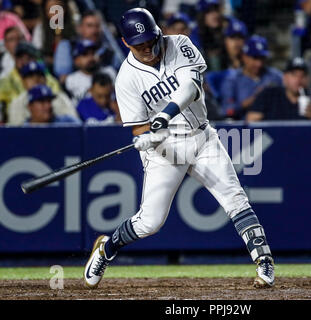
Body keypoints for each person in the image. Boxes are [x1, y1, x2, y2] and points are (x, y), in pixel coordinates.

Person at [84, 8, 275, 290]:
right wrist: (148, 138)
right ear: (125, 43)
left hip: (202, 138)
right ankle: (106, 248)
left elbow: (191, 86)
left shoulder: (180, 44)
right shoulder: (126, 77)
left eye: (151, 40)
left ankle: (264, 261)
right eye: (140, 45)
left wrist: (165, 115)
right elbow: (138, 129)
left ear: (158, 33)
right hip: (164, 150)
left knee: (235, 198)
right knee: (150, 222)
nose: (148, 48)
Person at [220, 35, 283, 120]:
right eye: (255, 58)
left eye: (262, 58)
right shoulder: (232, 79)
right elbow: (226, 110)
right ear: (244, 56)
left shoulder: (275, 76)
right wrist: (256, 98)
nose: (259, 64)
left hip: (272, 126)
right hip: (242, 129)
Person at [247, 57, 311, 122]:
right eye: (294, 75)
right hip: (272, 138)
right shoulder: (269, 96)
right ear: (285, 78)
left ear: (308, 79)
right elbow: (251, 122)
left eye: (303, 75)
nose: (298, 79)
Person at [53, 10, 118, 84]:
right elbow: (63, 78)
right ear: (79, 28)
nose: (94, 31)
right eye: (89, 26)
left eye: (97, 26)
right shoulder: (67, 46)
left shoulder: (109, 50)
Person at [8, 61, 77, 125]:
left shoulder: (60, 97)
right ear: (23, 82)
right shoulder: (16, 102)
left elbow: (74, 126)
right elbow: (15, 130)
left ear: (46, 79)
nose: (36, 79)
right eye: (30, 76)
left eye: (39, 75)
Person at [65, 39, 117, 105]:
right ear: (76, 60)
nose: (90, 58)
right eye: (85, 54)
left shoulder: (109, 72)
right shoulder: (71, 80)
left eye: (93, 53)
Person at [190, 0, 226, 71]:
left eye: (216, 11)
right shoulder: (194, 35)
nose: (215, 15)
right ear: (201, 15)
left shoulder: (223, 31)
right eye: (209, 12)